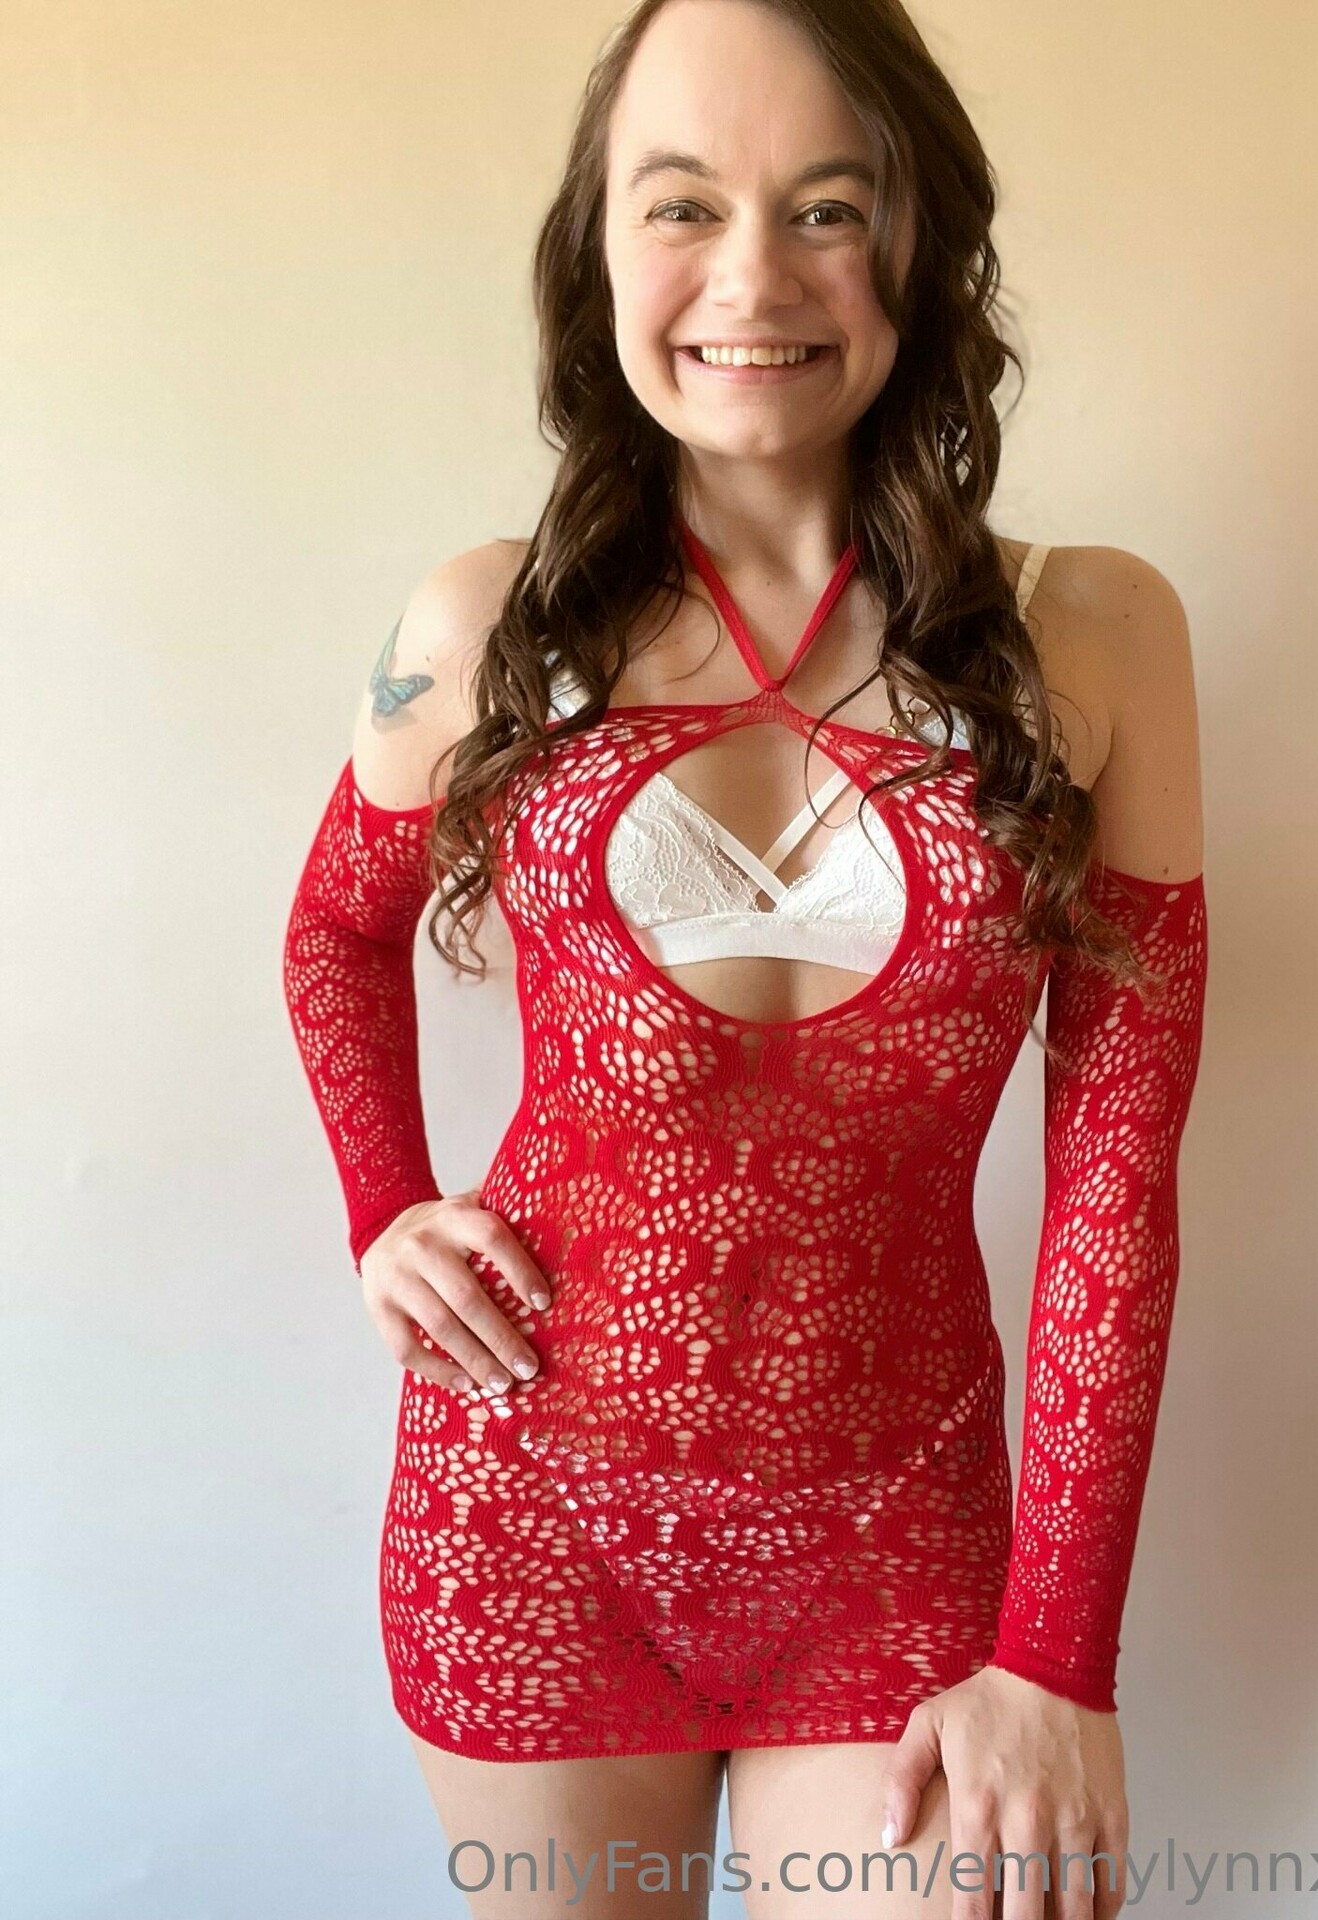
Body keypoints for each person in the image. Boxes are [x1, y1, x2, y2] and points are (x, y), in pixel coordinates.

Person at [281, 0, 1208, 1914]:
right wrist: (385, 1205)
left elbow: (1119, 1172)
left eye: (829, 207)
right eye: (684, 204)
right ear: (599, 250)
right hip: (525, 1524)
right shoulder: (486, 628)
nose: (753, 277)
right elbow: (335, 930)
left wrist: (1061, 1657)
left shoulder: (1097, 636)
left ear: (920, 244)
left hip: (901, 1548)